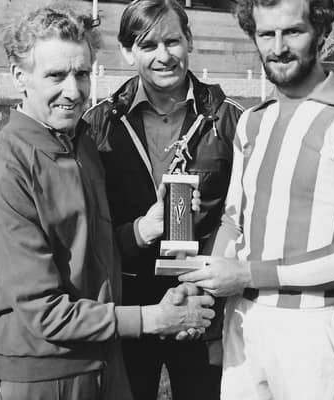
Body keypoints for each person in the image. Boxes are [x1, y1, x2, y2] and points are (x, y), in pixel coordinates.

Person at [0, 6, 215, 400]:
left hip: (101, 363)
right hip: (41, 377)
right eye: (55, 75)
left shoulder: (80, 142)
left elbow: (87, 254)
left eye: (81, 73)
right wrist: (154, 318)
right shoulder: (3, 171)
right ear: (18, 78)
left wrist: (143, 229)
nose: (73, 90)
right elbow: (45, 311)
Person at [179, 0, 334, 398]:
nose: (278, 47)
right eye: (265, 34)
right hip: (243, 321)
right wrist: (202, 285)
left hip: (314, 326)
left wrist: (247, 274)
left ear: (322, 31)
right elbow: (233, 222)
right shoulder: (252, 121)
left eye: (293, 31)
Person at [83, 0, 243, 398]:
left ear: (189, 41)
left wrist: (205, 289)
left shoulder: (232, 120)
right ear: (126, 51)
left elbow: (246, 216)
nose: (163, 55)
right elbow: (87, 227)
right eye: (148, 44)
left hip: (206, 302)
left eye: (172, 41)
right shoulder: (96, 125)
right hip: (129, 303)